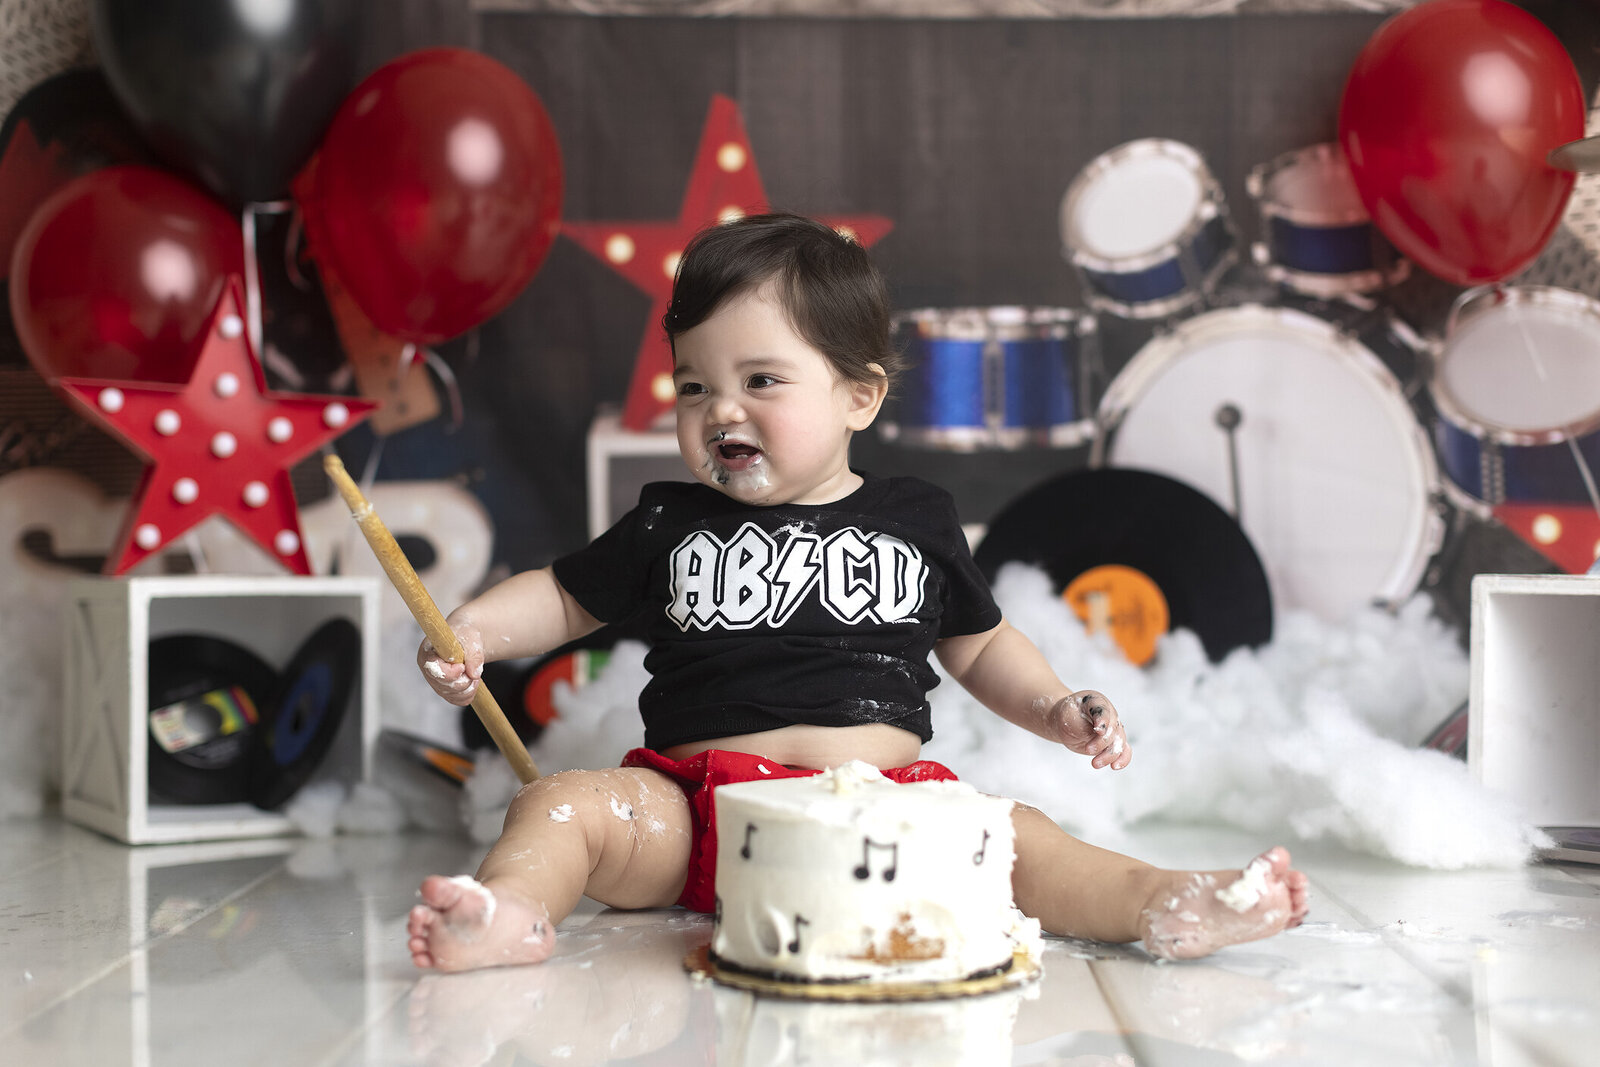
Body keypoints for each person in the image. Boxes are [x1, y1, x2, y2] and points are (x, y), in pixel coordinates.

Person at [407, 212, 1309, 972]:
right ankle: (509, 912)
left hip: (886, 805)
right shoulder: (667, 522)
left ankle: (1163, 900)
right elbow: (566, 597)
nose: (721, 410)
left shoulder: (915, 518)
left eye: (761, 380)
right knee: (566, 805)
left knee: (1021, 839)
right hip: (698, 812)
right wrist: (475, 627)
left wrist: (1056, 707)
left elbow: (981, 642)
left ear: (859, 397)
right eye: (694, 386)